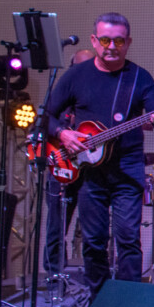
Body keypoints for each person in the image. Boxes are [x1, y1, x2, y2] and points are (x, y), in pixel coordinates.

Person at [46, 13, 154, 298]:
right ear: (94, 41)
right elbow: (44, 116)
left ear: (128, 42)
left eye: (119, 41)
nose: (112, 47)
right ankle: (98, 302)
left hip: (127, 169)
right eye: (105, 40)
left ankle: (127, 305)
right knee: (94, 241)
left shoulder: (140, 78)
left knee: (128, 239)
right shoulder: (76, 76)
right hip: (89, 172)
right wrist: (64, 134)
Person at [43, 48, 95, 277]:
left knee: (94, 227)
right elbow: (42, 120)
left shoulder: (97, 97)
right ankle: (54, 277)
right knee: (57, 226)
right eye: (78, 67)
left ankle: (95, 279)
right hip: (61, 169)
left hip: (89, 170)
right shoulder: (63, 94)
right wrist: (61, 133)